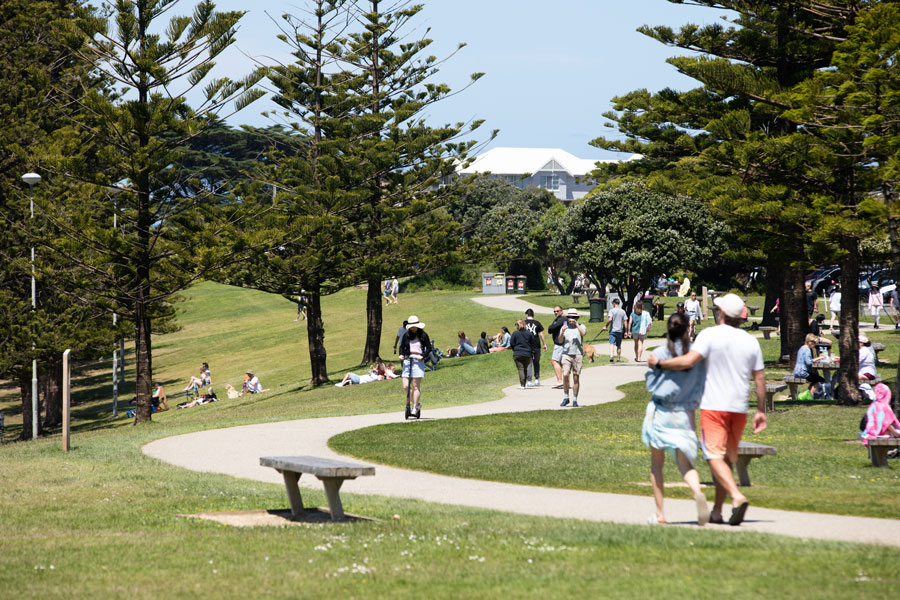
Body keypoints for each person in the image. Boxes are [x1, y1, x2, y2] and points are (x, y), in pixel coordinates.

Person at [647, 293, 767, 527]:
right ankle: (716, 512)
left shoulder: (709, 335)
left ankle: (736, 496)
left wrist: (659, 364)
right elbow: (760, 378)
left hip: (714, 405)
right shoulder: (751, 340)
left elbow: (688, 361)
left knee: (713, 456)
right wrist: (761, 410)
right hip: (740, 408)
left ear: (721, 313)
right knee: (725, 459)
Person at [642, 312, 709, 526]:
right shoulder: (695, 355)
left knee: (657, 465)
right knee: (685, 464)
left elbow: (651, 385)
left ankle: (661, 514)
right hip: (685, 413)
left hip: (662, 411)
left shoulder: (659, 353)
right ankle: (697, 492)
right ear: (688, 328)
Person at [398, 315, 432, 416]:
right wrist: (401, 355)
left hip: (418, 360)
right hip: (408, 360)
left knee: (416, 386)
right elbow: (402, 347)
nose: (413, 328)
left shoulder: (423, 335)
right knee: (405, 386)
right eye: (411, 326)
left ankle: (414, 407)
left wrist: (423, 356)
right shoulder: (406, 335)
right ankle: (415, 404)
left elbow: (429, 348)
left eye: (415, 326)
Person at [558, 309, 586, 407]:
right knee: (565, 374)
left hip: (578, 354)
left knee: (576, 377)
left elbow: (583, 334)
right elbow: (560, 340)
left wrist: (577, 325)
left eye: (573, 317)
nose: (571, 319)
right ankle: (566, 397)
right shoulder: (564, 327)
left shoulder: (581, 326)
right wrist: (562, 332)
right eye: (570, 317)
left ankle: (574, 399)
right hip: (566, 354)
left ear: (577, 318)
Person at [793, 333, 827, 400]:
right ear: (810, 342)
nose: (814, 345)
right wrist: (819, 358)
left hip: (797, 371)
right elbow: (809, 362)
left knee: (814, 379)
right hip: (803, 372)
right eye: (814, 343)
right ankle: (810, 396)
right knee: (819, 380)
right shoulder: (807, 350)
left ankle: (807, 393)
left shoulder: (802, 348)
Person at [509, 319, 537, 389]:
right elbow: (533, 343)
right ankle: (524, 384)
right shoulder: (529, 333)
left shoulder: (515, 333)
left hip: (518, 353)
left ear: (517, 325)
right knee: (525, 368)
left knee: (520, 368)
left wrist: (515, 349)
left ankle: (522, 385)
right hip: (527, 354)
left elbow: (512, 343)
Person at [524, 308, 547, 387]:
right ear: (533, 315)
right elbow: (541, 334)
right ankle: (537, 379)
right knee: (536, 362)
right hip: (536, 345)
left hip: (527, 346)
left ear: (526, 315)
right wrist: (544, 344)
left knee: (528, 363)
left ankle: (529, 381)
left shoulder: (524, 323)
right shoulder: (537, 323)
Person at [547, 306, 567, 388]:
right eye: (554, 311)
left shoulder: (562, 319)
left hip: (560, 344)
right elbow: (550, 330)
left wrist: (552, 327)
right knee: (563, 363)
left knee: (554, 361)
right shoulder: (559, 319)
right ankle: (566, 382)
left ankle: (560, 381)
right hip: (561, 343)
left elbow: (551, 328)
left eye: (557, 311)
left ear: (561, 311)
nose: (555, 312)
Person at [602, 298, 627, 362]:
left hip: (613, 330)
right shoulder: (623, 311)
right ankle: (618, 358)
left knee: (611, 344)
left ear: (614, 303)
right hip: (620, 330)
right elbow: (625, 322)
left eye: (612, 303)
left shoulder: (612, 311)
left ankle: (611, 356)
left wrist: (605, 326)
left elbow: (610, 319)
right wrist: (626, 331)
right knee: (619, 345)